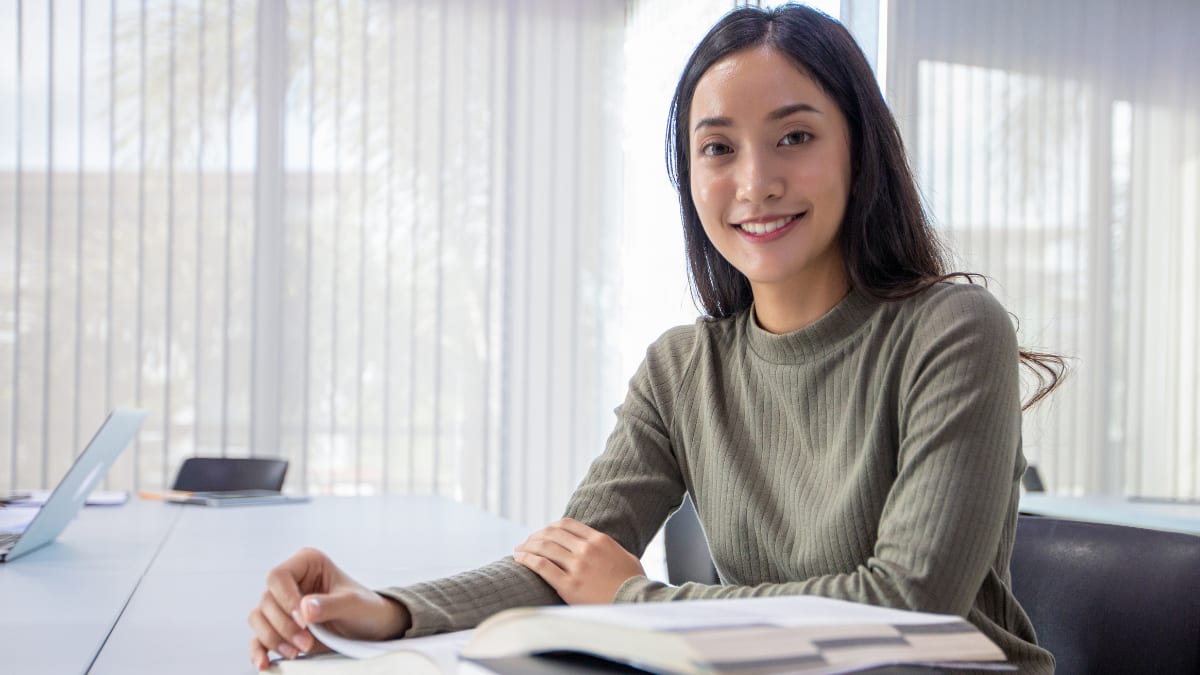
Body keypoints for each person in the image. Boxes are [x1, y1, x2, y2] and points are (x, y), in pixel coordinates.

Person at [248, 5, 1063, 672]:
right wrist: (385, 610)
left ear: (860, 150)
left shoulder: (953, 330)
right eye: (718, 148)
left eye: (795, 136)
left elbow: (909, 602)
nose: (756, 182)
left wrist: (637, 601)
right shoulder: (682, 368)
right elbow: (567, 565)